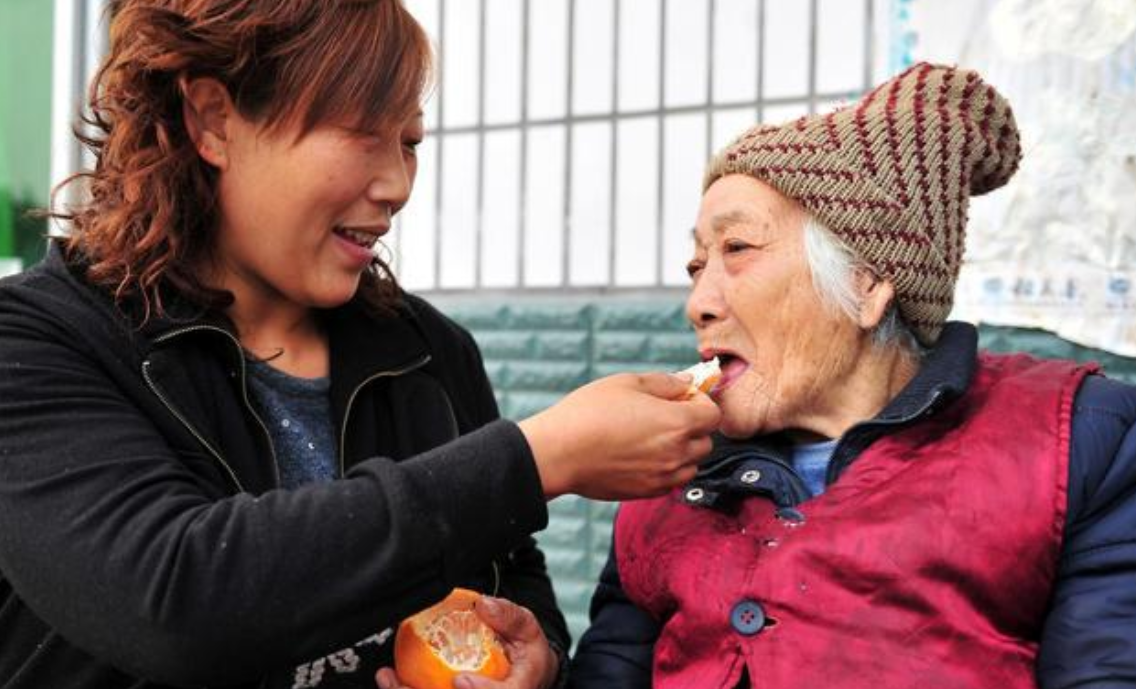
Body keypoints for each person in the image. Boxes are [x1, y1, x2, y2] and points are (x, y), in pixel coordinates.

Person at [0, 2, 721, 688]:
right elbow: (171, 598)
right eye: (362, 134)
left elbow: (509, 577)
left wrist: (537, 655)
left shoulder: (431, 352)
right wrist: (539, 458)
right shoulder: (39, 340)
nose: (397, 183)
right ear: (214, 120)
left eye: (409, 143)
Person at [570, 62, 1136, 688]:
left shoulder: (1080, 442)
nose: (698, 302)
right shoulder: (666, 472)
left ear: (867, 285)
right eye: (696, 264)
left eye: (737, 250)